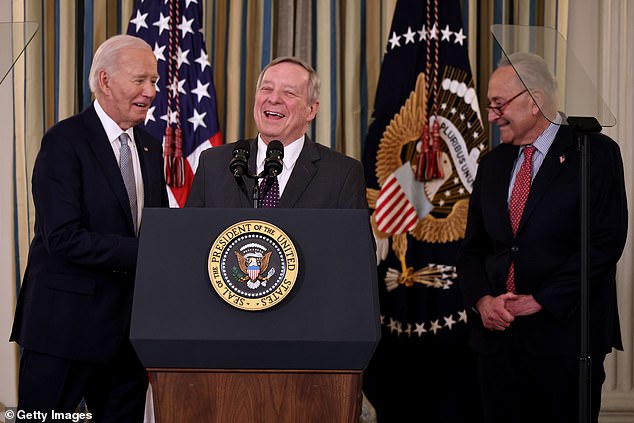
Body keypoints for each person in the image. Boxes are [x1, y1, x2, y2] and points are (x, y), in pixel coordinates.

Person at [457, 52, 627, 423]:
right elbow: (472, 249)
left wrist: (540, 301)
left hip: (565, 339)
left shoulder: (593, 152)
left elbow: (604, 244)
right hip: (497, 343)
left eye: (497, 104)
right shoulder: (493, 163)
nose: (490, 115)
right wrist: (483, 300)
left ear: (533, 102)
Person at [10, 34, 168, 421]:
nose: (151, 91)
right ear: (104, 80)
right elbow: (62, 237)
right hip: (64, 329)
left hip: (129, 334)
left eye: (154, 81)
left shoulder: (149, 145)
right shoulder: (64, 142)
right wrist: (152, 254)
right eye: (140, 80)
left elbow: (158, 227)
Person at [185, 56, 367, 209]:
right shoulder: (213, 164)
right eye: (266, 89)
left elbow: (356, 250)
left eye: (288, 93)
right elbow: (189, 241)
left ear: (311, 110)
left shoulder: (342, 174)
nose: (273, 99)